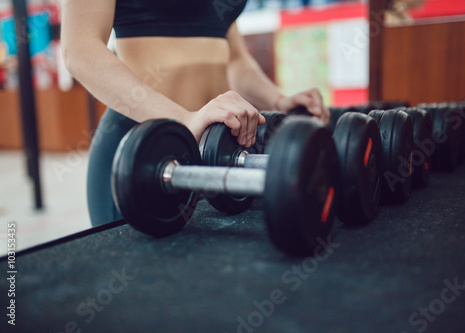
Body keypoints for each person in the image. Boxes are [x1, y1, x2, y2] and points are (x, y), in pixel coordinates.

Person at [61, 0, 330, 226]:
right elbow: (80, 49)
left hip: (219, 152)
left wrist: (279, 100)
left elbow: (234, 58)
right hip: (145, 153)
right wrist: (184, 120)